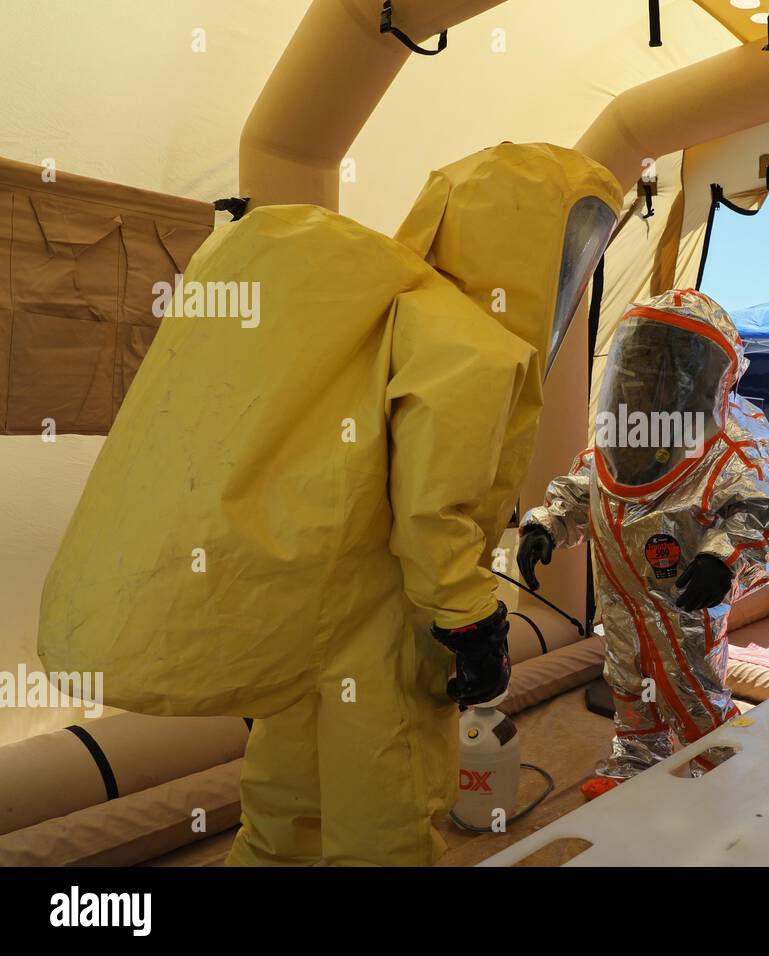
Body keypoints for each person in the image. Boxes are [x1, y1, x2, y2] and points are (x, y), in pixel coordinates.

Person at [38, 143, 622, 866]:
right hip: (388, 626)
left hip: (310, 615)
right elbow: (432, 514)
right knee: (385, 808)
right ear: (532, 236)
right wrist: (472, 620)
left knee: (285, 797)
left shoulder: (386, 311)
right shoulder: (476, 346)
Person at [516, 289, 769, 797]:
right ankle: (637, 763)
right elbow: (584, 486)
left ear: (707, 376)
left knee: (693, 689)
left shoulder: (726, 444)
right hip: (621, 593)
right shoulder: (621, 437)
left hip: (684, 595)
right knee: (626, 679)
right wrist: (545, 524)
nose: (652, 376)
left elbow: (761, 517)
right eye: (642, 358)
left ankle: (721, 775)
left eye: (670, 362)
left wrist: (722, 560)